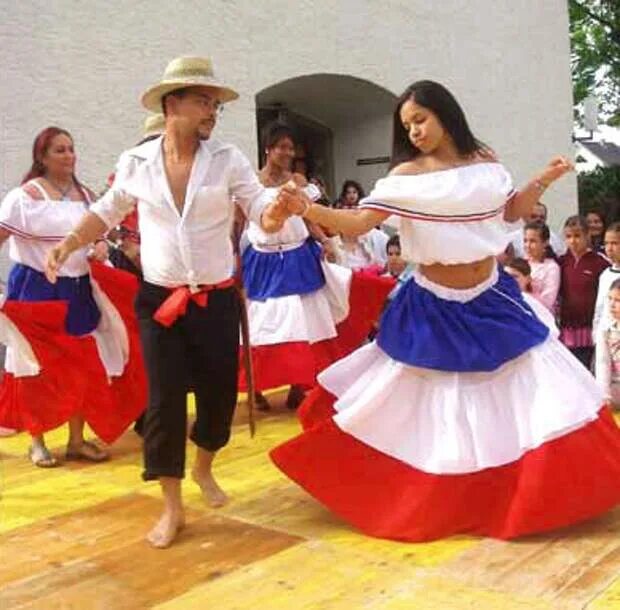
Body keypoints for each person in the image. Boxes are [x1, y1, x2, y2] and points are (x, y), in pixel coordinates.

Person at [271, 79, 620, 542]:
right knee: (430, 405)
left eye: (420, 119)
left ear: (444, 113)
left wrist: (544, 179)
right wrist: (308, 210)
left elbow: (513, 212)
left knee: (528, 391)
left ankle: (520, 494)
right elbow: (358, 221)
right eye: (407, 125)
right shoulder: (406, 178)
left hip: (493, 298)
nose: (414, 131)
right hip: (433, 303)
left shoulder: (485, 163)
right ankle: (434, 497)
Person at [44, 56, 304, 549]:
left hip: (215, 300)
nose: (211, 109)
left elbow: (257, 212)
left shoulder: (228, 160)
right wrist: (68, 243)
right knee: (162, 401)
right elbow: (106, 211)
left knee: (217, 399)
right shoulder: (137, 162)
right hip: (159, 300)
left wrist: (277, 214)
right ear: (172, 105)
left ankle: (204, 467)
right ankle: (172, 507)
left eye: (214, 103)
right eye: (203, 100)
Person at [0, 126, 146, 467]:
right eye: (59, 150)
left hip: (78, 288)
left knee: (83, 364)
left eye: (71, 148)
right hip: (37, 288)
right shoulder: (24, 197)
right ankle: (37, 441)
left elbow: (100, 234)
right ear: (42, 157)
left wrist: (97, 246)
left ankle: (77, 440)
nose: (69, 155)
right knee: (37, 367)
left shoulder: (86, 195)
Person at [239, 121, 394, 410]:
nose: (287, 152)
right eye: (281, 147)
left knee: (305, 321)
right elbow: (239, 220)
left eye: (290, 147)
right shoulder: (250, 183)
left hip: (298, 256)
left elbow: (307, 216)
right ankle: (255, 387)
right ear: (267, 149)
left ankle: (300, 384)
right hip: (263, 258)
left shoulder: (298, 181)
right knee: (261, 323)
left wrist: (325, 241)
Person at [558, 215, 609, 368]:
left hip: (589, 328)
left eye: (577, 236)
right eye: (568, 236)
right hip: (566, 327)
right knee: (569, 370)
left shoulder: (600, 263)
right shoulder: (561, 262)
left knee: (586, 369)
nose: (573, 241)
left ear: (587, 235)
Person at [523, 221, 560, 312]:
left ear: (545, 243)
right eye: (525, 241)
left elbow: (548, 301)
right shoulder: (521, 263)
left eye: (533, 241)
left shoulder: (551, 268)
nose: (528, 245)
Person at [595, 278, 620, 412]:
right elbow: (602, 363)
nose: (612, 305)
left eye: (618, 300)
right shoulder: (605, 328)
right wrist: (604, 395)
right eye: (610, 299)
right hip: (615, 386)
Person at [593, 222, 620, 339]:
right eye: (606, 243)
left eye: (614, 243)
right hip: (605, 334)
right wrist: (596, 334)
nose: (609, 248)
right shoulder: (605, 275)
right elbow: (599, 307)